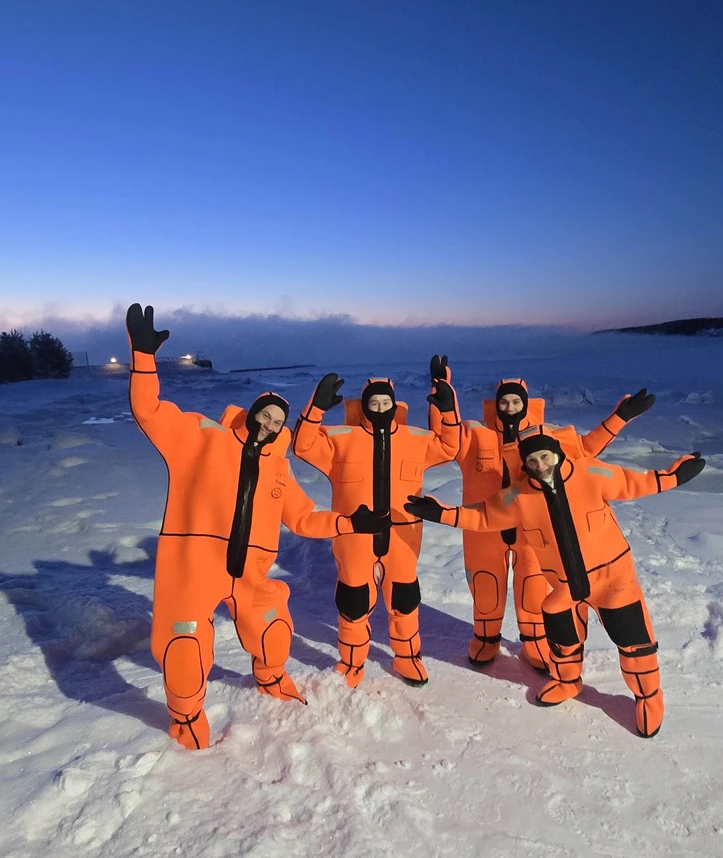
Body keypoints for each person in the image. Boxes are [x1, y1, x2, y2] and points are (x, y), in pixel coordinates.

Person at [127, 305, 387, 750]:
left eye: (276, 423)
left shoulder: (280, 471)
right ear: (251, 413)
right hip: (195, 569)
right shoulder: (200, 438)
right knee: (184, 650)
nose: (268, 426)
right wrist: (144, 360)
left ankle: (270, 679)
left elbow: (304, 518)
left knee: (273, 632)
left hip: (251, 574)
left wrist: (349, 523)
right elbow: (148, 410)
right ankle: (186, 718)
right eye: (264, 416)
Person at [404, 431, 705, 737]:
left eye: (545, 457)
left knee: (635, 644)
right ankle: (567, 681)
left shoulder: (591, 472)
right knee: (563, 643)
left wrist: (676, 475)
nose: (540, 464)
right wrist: (439, 512)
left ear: (558, 454)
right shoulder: (517, 495)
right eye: (532, 460)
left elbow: (637, 483)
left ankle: (649, 697)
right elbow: (483, 517)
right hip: (563, 587)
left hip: (613, 580)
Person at [428, 357, 656, 671]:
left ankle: (534, 640)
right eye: (503, 401)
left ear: (525, 404)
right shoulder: (475, 435)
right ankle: (486, 637)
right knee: (485, 585)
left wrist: (619, 418)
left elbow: (586, 449)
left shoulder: (545, 437)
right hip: (483, 528)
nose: (509, 406)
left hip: (533, 531)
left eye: (515, 401)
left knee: (533, 587)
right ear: (496, 404)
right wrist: (442, 398)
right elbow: (445, 439)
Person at [292, 363, 461, 687]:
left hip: (403, 535)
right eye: (374, 403)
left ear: (394, 405)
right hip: (355, 535)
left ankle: (408, 658)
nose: (380, 408)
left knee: (404, 599)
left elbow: (449, 447)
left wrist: (448, 410)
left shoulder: (415, 439)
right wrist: (314, 409)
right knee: (353, 601)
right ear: (365, 405)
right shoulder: (342, 439)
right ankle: (352, 662)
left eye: (385, 403)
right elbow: (303, 446)